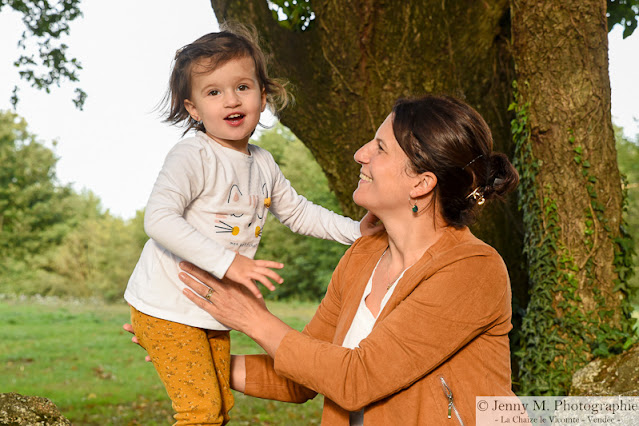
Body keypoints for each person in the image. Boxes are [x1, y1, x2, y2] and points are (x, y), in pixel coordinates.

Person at [126, 94, 519, 425]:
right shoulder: (364, 254)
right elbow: (301, 378)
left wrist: (251, 319)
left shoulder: (473, 271)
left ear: (422, 182)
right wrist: (192, 359)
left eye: (380, 148)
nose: (360, 154)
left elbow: (356, 378)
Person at [124, 23, 382, 426]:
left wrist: (356, 231)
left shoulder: (262, 163)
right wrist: (231, 265)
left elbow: (298, 212)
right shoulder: (193, 155)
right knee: (201, 412)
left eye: (242, 87)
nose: (231, 100)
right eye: (213, 92)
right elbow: (158, 219)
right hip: (168, 306)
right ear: (193, 108)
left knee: (221, 406)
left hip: (209, 309)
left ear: (263, 97)